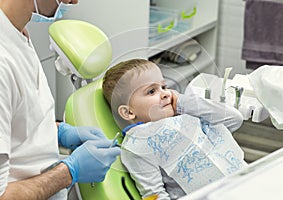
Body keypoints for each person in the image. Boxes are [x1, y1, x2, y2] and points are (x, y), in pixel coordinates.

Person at [0, 0, 120, 199]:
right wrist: (69, 171)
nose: (73, 1)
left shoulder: (16, 31)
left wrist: (58, 131)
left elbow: (19, 121)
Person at [102, 59, 247, 199]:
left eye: (163, 87)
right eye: (152, 91)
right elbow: (154, 194)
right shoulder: (137, 145)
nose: (166, 93)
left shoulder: (186, 115)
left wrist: (182, 102)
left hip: (245, 181)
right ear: (128, 112)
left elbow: (234, 118)